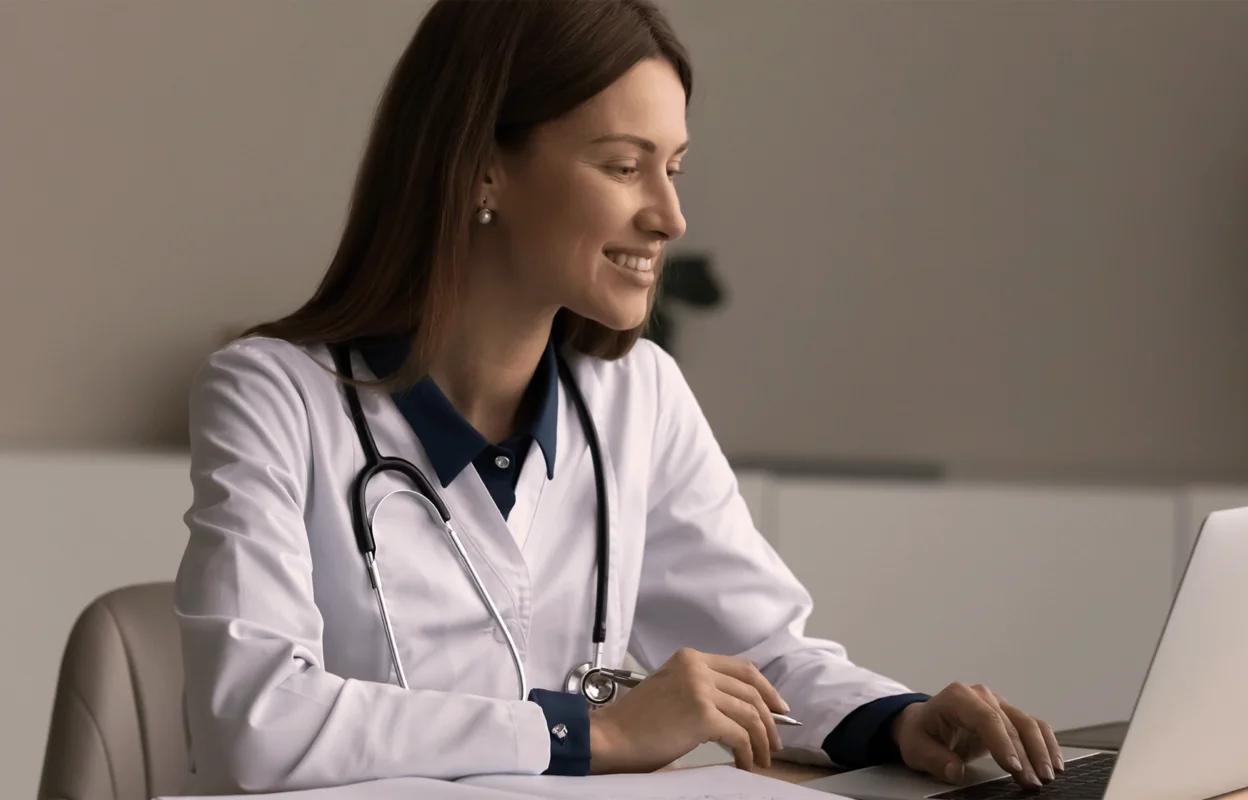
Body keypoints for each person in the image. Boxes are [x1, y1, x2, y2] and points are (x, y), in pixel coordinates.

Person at [174, 0, 1064, 794]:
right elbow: (253, 722)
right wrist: (589, 734)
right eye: (625, 166)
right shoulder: (273, 395)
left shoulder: (639, 397)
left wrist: (899, 720)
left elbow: (761, 656)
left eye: (674, 167)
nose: (670, 217)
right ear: (483, 169)